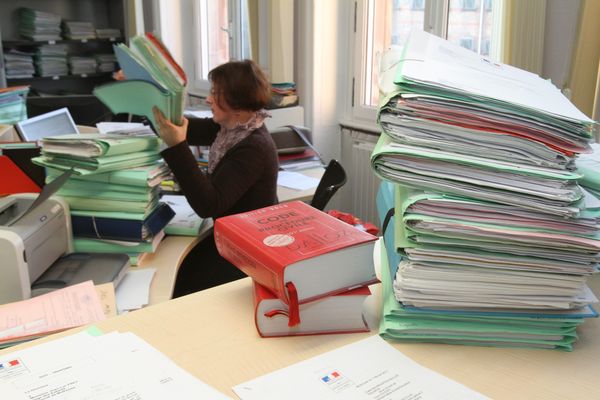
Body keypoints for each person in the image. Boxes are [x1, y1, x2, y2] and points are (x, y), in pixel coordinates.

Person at [152, 59, 279, 297]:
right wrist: (152, 97)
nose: (208, 100)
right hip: (231, 238)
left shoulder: (254, 147)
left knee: (177, 282)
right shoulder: (231, 129)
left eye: (216, 94)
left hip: (245, 254)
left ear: (238, 105)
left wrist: (177, 145)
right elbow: (181, 126)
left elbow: (208, 204)